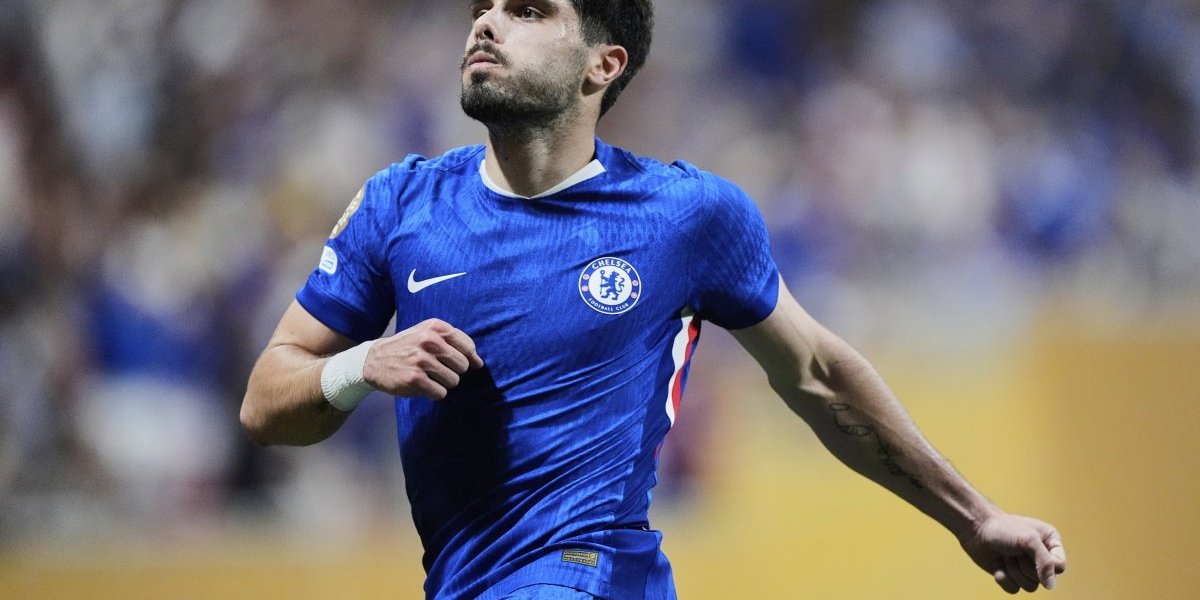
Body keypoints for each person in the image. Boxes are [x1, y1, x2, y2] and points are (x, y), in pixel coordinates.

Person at [240, 1, 1067, 598]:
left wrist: (974, 517)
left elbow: (817, 373)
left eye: (527, 10)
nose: (485, 23)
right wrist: (362, 364)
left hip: (593, 575)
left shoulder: (685, 216)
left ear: (603, 64)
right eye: (482, 7)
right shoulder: (401, 202)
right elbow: (266, 402)